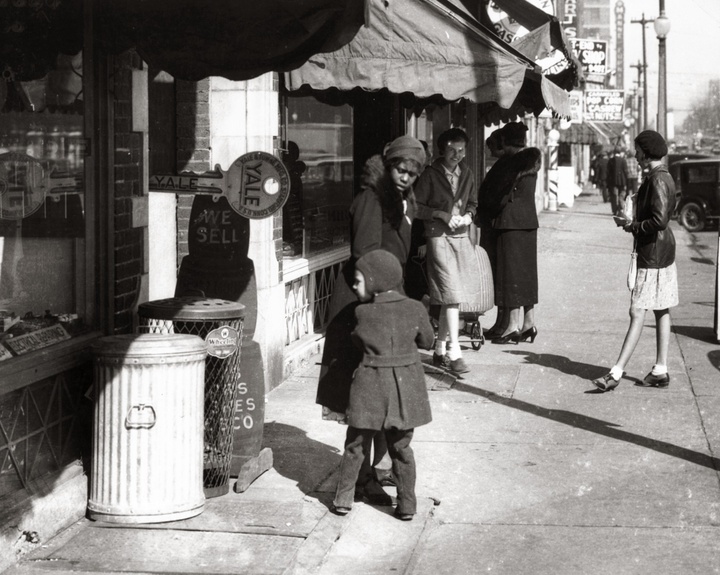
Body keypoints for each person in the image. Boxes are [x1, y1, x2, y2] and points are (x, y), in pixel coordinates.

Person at [317, 134, 427, 503]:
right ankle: (363, 480)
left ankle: (367, 475)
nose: (405, 177)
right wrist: (387, 303)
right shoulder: (370, 199)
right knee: (367, 403)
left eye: (412, 173)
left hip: (387, 304)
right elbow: (365, 256)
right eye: (400, 169)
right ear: (388, 164)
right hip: (363, 306)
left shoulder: (401, 199)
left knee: (386, 401)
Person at [331, 249, 435, 521]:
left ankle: (343, 498)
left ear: (375, 280)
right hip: (405, 388)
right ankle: (407, 505)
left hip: (370, 387)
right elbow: (427, 341)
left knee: (355, 444)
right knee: (401, 448)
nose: (354, 286)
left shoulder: (362, 312)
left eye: (358, 280)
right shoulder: (415, 308)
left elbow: (357, 340)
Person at [593, 130, 678, 391]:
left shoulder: (657, 179)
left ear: (646, 152)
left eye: (637, 150)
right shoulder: (661, 176)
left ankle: (615, 373)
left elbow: (659, 220)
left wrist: (633, 226)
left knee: (637, 310)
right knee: (661, 309)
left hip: (652, 253)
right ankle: (660, 369)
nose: (635, 155)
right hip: (662, 252)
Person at [414, 128, 478, 373]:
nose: (457, 155)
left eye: (461, 150)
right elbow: (414, 206)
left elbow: (473, 203)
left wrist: (469, 217)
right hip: (438, 238)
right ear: (442, 149)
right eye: (452, 149)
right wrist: (439, 214)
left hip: (461, 239)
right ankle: (455, 352)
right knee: (451, 294)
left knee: (452, 297)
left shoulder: (468, 173)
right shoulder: (430, 175)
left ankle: (440, 350)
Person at [476, 123, 526, 338]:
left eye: (491, 148)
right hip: (494, 223)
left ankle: (505, 323)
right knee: (498, 274)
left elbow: (498, 195)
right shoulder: (504, 163)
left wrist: (485, 211)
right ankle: (502, 321)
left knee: (500, 274)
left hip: (496, 223)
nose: (489, 152)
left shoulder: (507, 165)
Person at [491, 144, 542, 345]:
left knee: (511, 274)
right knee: (527, 275)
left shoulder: (516, 177)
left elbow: (503, 198)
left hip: (510, 225)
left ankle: (512, 326)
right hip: (528, 225)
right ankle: (529, 322)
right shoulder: (532, 177)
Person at [606, 146, 629, 217]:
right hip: (622, 181)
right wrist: (626, 181)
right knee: (621, 195)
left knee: (614, 195)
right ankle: (621, 208)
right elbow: (626, 171)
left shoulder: (610, 160)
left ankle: (615, 210)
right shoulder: (623, 160)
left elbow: (608, 172)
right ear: (620, 152)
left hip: (613, 181)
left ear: (614, 152)